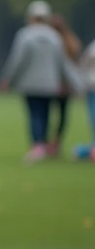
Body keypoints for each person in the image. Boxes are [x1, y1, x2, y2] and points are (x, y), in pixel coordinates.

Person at [0, 0, 83, 164]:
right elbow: (63, 63)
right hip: (49, 85)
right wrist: (77, 84)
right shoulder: (54, 37)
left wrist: (7, 79)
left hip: (29, 84)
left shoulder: (25, 35)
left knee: (34, 114)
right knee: (44, 114)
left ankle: (38, 145)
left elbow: (17, 61)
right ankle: (42, 144)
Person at [47, 14, 84, 157]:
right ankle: (56, 141)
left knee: (49, 112)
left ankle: (48, 142)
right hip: (65, 84)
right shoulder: (71, 41)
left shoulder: (54, 41)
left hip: (53, 83)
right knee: (62, 115)